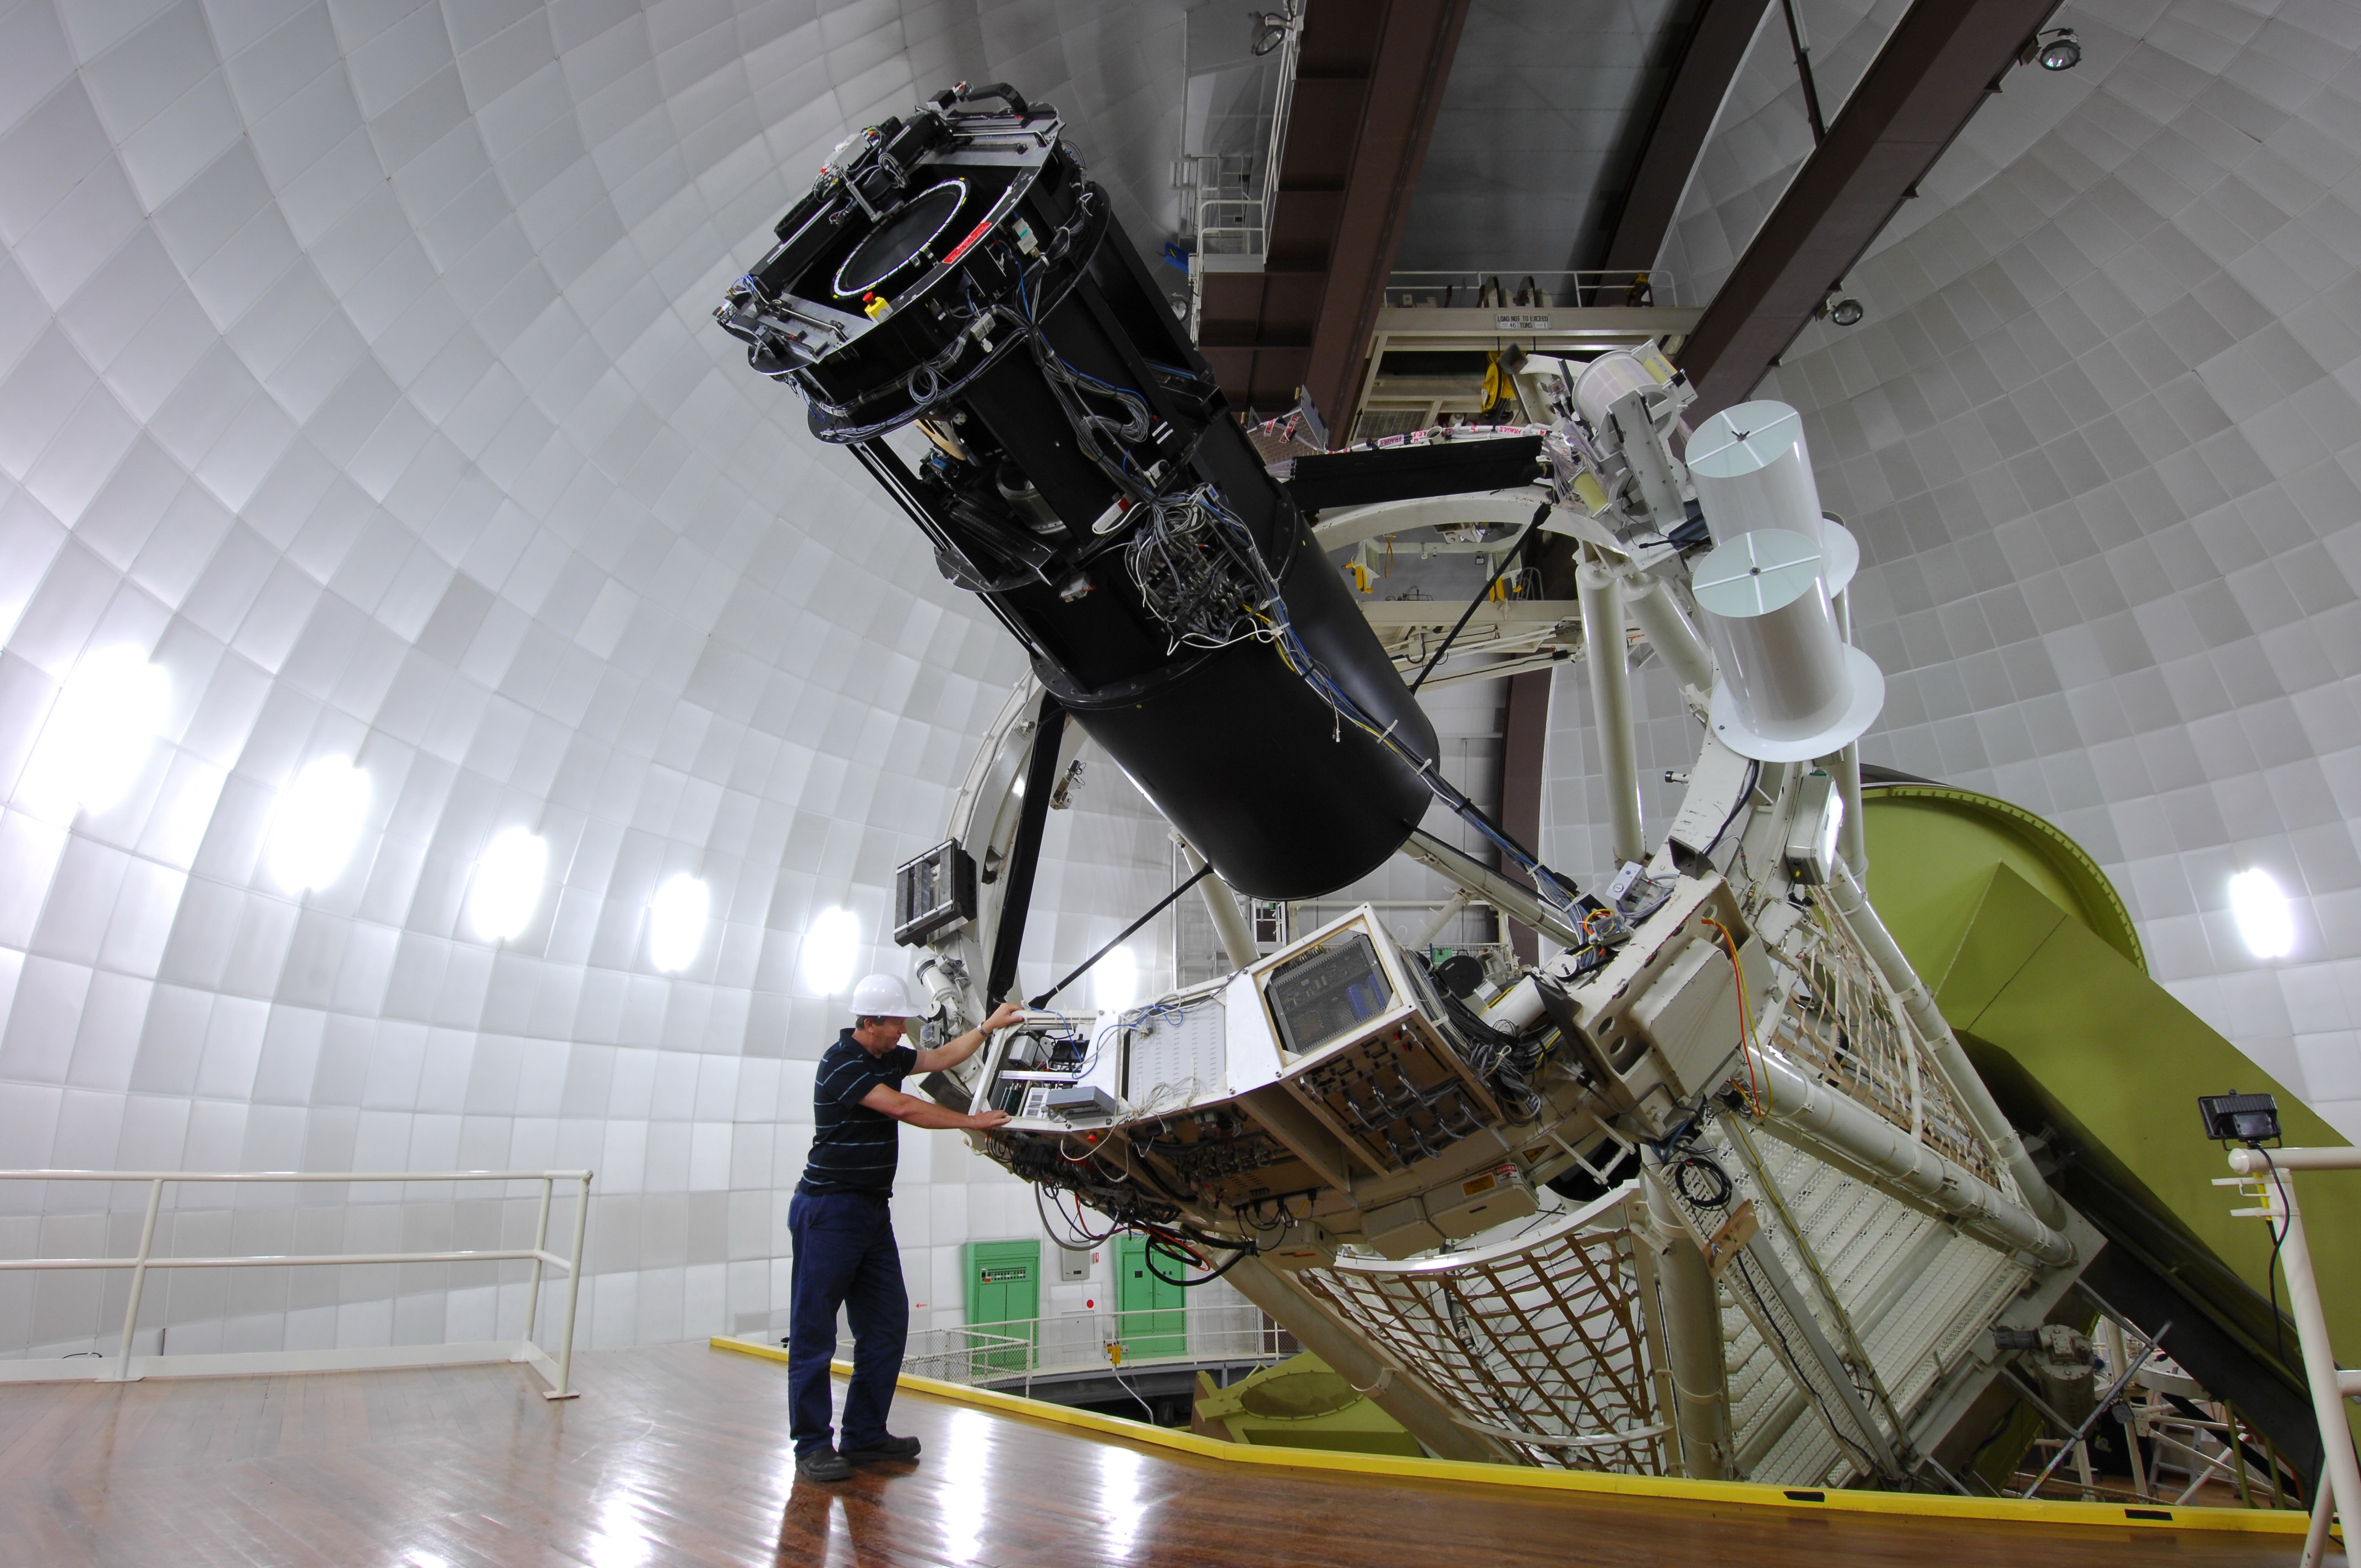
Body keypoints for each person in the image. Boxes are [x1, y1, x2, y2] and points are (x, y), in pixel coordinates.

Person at [788, 972, 1021, 1482]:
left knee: (888, 1324)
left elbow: (940, 1058)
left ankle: (865, 1435)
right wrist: (971, 1121)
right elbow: (902, 1107)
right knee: (814, 1332)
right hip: (828, 1212)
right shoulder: (841, 1063)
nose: (903, 1032)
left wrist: (988, 1027)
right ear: (869, 1022)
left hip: (871, 1212)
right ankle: (811, 1445)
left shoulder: (887, 1056)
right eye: (897, 1023)